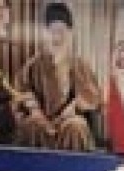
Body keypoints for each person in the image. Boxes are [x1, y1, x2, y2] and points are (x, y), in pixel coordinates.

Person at [13, 2, 102, 151]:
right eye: (52, 32)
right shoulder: (32, 65)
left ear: (70, 33)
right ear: (45, 33)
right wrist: (35, 111)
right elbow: (22, 93)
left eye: (62, 32)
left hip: (69, 119)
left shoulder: (80, 65)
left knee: (76, 126)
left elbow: (92, 96)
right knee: (32, 125)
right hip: (40, 118)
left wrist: (74, 107)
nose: (57, 38)